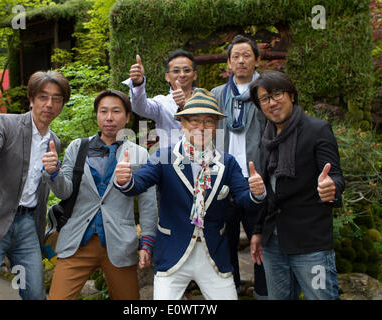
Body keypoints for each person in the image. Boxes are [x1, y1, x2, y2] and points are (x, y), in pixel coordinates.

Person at [115, 88, 266, 300]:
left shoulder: (227, 162)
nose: (201, 127)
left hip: (214, 253)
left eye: (209, 121)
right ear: (183, 124)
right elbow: (138, 184)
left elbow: (244, 199)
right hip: (172, 253)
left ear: (215, 127)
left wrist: (256, 192)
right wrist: (125, 179)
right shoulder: (164, 156)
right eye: (194, 120)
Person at [0, 71, 70, 300]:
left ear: (62, 105)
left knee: (35, 294)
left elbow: (62, 190)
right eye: (43, 97)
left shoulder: (53, 142)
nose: (49, 104)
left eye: (56, 99)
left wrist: (54, 171)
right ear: (31, 99)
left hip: (27, 225)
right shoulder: (6, 123)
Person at [43, 89, 158, 300]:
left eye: (116, 111)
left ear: (127, 116)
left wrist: (147, 243)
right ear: (96, 115)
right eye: (103, 111)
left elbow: (148, 203)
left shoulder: (139, 153)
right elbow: (64, 190)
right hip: (78, 239)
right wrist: (53, 174)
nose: (109, 117)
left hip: (119, 242)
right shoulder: (78, 147)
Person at [249, 70, 345, 300]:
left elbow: (336, 177)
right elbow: (271, 192)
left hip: (311, 243)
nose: (271, 103)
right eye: (264, 99)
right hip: (273, 243)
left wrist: (330, 189)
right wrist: (258, 231)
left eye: (277, 94)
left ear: (291, 95)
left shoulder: (317, 130)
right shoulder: (267, 138)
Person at [211, 35, 268, 298]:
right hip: (224, 178)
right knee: (226, 238)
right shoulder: (217, 95)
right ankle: (230, 289)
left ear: (257, 59)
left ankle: (264, 291)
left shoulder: (267, 91)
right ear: (229, 62)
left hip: (257, 178)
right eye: (236, 56)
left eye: (247, 55)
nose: (241, 60)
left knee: (263, 240)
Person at [122, 49, 198, 149]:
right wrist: (138, 84)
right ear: (167, 77)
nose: (182, 74)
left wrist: (184, 106)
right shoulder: (162, 103)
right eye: (176, 71)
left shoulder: (207, 99)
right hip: (169, 161)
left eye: (187, 70)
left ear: (195, 75)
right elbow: (139, 107)